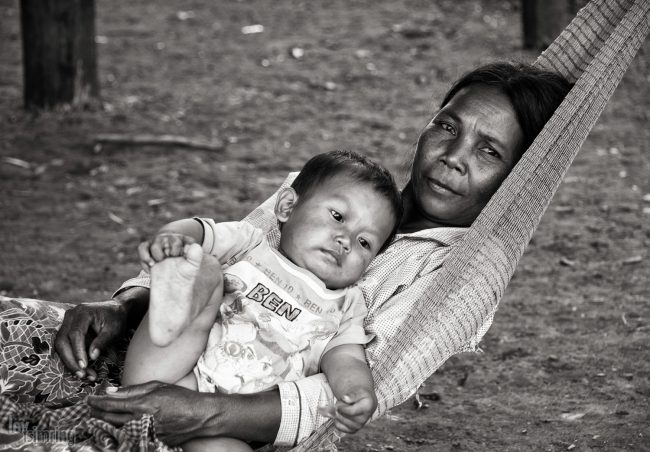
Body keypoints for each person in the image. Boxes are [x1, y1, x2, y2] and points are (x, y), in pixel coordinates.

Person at [2, 61, 570, 448]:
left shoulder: (463, 277)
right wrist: (124, 303)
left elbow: (363, 381)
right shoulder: (336, 189)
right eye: (446, 126)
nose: (452, 155)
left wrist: (201, 412)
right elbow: (220, 255)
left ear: (517, 181)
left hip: (232, 416)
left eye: (489, 151)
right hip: (165, 351)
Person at [121, 151, 402, 451]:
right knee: (203, 270)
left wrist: (358, 392)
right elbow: (200, 231)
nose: (345, 240)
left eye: (364, 242)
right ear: (287, 206)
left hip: (229, 427)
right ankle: (177, 297)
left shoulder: (346, 305)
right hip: (168, 374)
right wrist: (173, 239)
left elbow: (346, 357)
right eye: (337, 216)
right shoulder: (250, 244)